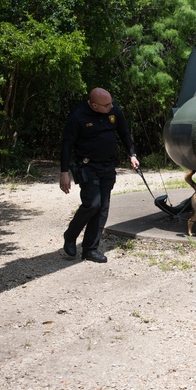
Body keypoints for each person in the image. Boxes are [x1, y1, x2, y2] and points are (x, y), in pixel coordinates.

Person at [59, 87, 139, 263]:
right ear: (94, 105)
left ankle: (90, 249)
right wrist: (64, 173)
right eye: (106, 105)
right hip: (88, 166)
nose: (112, 107)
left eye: (111, 102)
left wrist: (132, 154)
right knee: (92, 204)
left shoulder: (113, 109)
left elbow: (124, 132)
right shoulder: (78, 116)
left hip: (108, 165)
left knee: (102, 207)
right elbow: (66, 145)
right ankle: (71, 235)